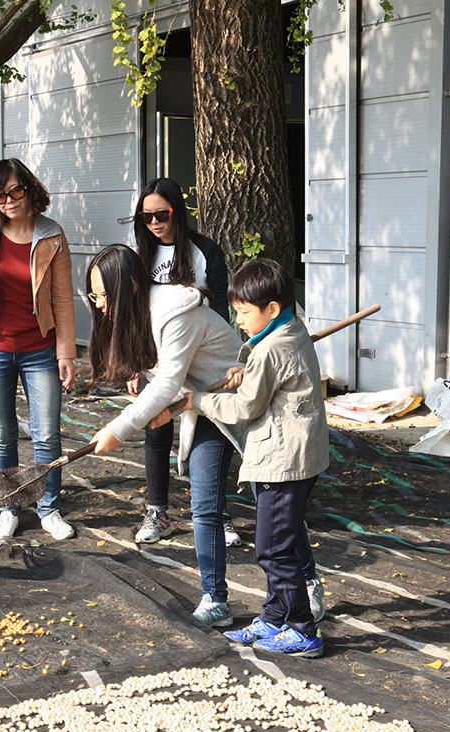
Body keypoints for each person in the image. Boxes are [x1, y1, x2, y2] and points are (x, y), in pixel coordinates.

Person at [86, 245, 244, 626]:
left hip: (235, 402)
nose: (99, 305)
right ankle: (216, 600)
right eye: (93, 296)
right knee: (204, 504)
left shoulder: (175, 313)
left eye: (103, 296)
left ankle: (305, 584)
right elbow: (169, 380)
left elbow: (170, 380)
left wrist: (117, 429)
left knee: (268, 509)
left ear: (129, 289)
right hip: (203, 404)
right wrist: (161, 398)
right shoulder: (145, 312)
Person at [183, 259, 331, 657]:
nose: (238, 320)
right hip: (287, 456)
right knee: (276, 543)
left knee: (273, 548)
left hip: (285, 462)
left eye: (244, 312)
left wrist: (195, 399)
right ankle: (273, 616)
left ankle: (302, 628)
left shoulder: (272, 349)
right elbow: (263, 376)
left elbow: (244, 408)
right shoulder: (290, 329)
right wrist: (244, 369)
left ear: (272, 309)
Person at [0, 158, 77, 543]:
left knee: (46, 435)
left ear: (30, 191)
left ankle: (49, 508)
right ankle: (7, 508)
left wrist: (66, 352)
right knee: (1, 436)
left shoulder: (52, 235)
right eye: (0, 195)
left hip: (40, 348)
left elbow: (62, 298)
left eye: (16, 191)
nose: (8, 201)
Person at [129, 177, 242, 549]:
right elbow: (135, 314)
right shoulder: (140, 254)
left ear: (177, 211)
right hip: (157, 361)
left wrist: (228, 362)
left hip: (202, 360)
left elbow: (223, 309)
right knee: (156, 431)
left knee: (211, 435)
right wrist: (135, 364)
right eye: (146, 217)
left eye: (161, 215)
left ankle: (214, 512)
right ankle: (157, 510)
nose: (154, 223)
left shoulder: (204, 250)